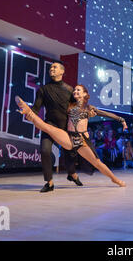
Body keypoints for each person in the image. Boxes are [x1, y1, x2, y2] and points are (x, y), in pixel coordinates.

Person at [15, 84, 127, 190]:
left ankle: (115, 179)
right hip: (69, 137)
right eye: (75, 90)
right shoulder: (69, 105)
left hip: (82, 140)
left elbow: (107, 114)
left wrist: (122, 120)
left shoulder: (89, 108)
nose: (75, 91)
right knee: (47, 127)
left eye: (78, 90)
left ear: (85, 94)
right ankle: (28, 111)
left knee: (97, 163)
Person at [29, 62, 83, 192]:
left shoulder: (70, 89)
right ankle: (50, 183)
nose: (52, 68)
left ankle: (72, 174)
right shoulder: (43, 89)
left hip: (66, 127)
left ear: (62, 72)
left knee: (70, 154)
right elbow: (36, 109)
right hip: (50, 125)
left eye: (55, 67)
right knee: (45, 150)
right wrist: (29, 113)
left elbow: (76, 109)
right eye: (51, 67)